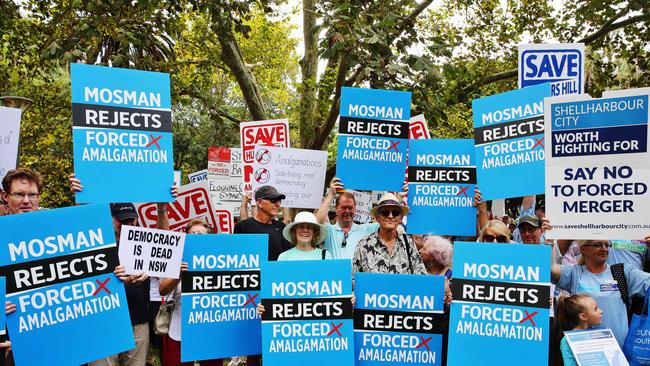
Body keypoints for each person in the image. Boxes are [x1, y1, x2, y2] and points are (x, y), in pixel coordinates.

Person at [552, 240, 650, 346]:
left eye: (607, 245)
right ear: (583, 249)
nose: (604, 249)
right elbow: (548, 268)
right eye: (597, 245)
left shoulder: (622, 272)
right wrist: (556, 241)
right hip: (586, 351)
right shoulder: (574, 273)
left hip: (618, 354)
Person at [159, 219, 222, 366]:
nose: (197, 236)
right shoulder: (176, 259)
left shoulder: (220, 260)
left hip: (210, 331)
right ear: (186, 236)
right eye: (193, 233)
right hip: (180, 329)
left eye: (201, 233)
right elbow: (162, 290)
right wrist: (178, 274)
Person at [352, 193, 426, 274]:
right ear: (377, 217)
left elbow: (421, 276)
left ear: (400, 218)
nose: (390, 216)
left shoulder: (409, 244)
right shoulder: (363, 245)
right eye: (385, 212)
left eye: (395, 213)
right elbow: (354, 281)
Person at [315, 177, 379, 259]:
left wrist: (400, 195)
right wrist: (331, 193)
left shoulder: (365, 229)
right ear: (336, 209)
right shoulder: (329, 231)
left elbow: (391, 224)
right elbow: (317, 221)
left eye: (350, 208)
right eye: (344, 208)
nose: (347, 211)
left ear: (355, 209)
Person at [234, 185, 292, 261]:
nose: (278, 204)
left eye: (279, 201)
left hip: (276, 272)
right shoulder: (243, 226)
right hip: (254, 272)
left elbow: (287, 256)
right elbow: (236, 256)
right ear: (260, 202)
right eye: (273, 201)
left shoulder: (281, 227)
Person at [555, 294, 608, 366]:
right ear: (583, 316)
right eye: (595, 309)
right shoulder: (567, 341)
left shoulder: (600, 334)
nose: (601, 311)